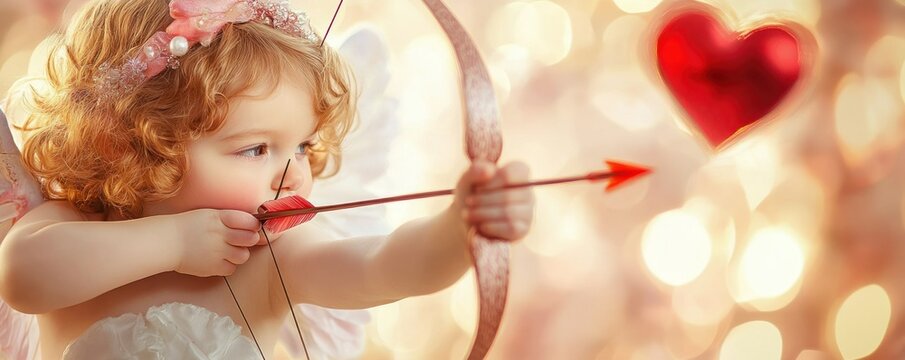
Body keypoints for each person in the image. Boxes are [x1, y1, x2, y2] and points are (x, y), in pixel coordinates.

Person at [0, 0, 535, 358]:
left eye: (302, 145)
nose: (293, 171)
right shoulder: (67, 228)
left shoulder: (275, 258)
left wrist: (461, 228)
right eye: (255, 148)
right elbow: (23, 277)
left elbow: (385, 265)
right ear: (128, 144)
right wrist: (175, 242)